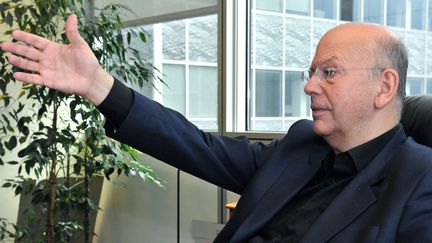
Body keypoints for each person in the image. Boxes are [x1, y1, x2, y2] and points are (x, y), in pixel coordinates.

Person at [2, 14, 432, 242]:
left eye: (330, 72)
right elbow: (194, 145)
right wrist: (99, 86)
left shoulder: (420, 180)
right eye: (312, 70)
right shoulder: (300, 145)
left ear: (384, 87)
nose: (309, 85)